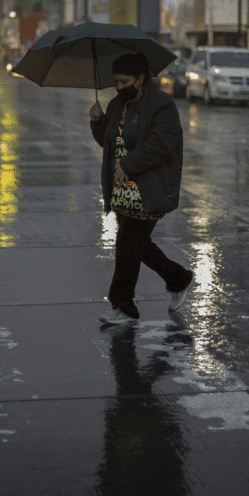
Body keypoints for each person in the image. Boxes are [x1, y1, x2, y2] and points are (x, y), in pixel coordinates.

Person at [89, 52, 193, 326]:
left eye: (125, 81)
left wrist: (130, 166)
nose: (120, 87)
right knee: (138, 245)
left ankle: (123, 306)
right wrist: (98, 123)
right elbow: (109, 144)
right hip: (122, 190)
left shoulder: (161, 106)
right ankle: (178, 278)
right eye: (116, 82)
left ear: (141, 79)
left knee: (127, 246)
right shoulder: (115, 106)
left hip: (149, 188)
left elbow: (161, 144)